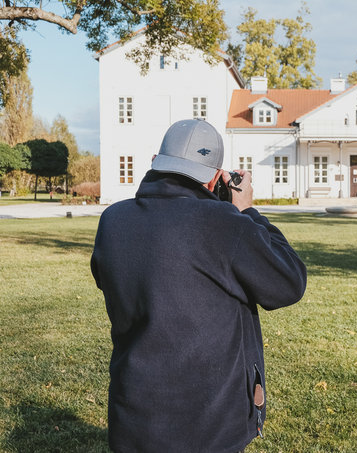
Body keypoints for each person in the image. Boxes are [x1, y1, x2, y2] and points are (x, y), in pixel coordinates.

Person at [91, 119, 307, 453]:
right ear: (215, 176)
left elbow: (107, 279)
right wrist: (247, 210)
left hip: (132, 413)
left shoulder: (112, 220)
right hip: (209, 424)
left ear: (156, 161)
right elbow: (289, 282)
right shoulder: (224, 224)